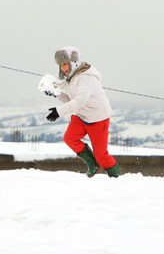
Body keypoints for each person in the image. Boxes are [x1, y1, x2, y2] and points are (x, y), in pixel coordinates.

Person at [45, 46, 120, 178]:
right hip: (81, 116)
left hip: (98, 118)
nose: (63, 68)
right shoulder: (71, 77)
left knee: (102, 156)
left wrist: (59, 111)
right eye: (61, 65)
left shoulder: (86, 78)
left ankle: (116, 178)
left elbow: (80, 101)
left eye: (65, 64)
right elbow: (71, 100)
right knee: (70, 138)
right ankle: (92, 164)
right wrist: (56, 94)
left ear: (73, 63)